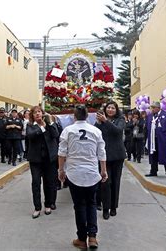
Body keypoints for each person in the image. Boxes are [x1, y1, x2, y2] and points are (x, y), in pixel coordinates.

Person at [58, 105, 107, 250]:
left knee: (79, 206)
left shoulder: (68, 130)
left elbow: (62, 153)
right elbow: (101, 153)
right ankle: (92, 237)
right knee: (91, 204)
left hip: (74, 174)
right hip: (92, 173)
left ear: (74, 116)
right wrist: (103, 171)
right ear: (86, 116)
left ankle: (81, 239)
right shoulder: (96, 130)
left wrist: (61, 170)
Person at [95, 101, 126, 220]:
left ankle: (113, 207)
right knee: (105, 183)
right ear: (105, 109)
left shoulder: (121, 119)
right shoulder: (101, 119)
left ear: (116, 109)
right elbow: (96, 133)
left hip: (117, 156)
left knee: (115, 182)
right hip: (104, 157)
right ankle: (106, 208)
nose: (111, 110)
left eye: (113, 108)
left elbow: (118, 131)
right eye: (109, 108)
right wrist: (99, 123)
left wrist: (106, 121)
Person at [26, 106, 59, 218]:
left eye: (39, 112)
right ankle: (37, 207)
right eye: (35, 113)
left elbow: (56, 135)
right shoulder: (30, 126)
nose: (37, 114)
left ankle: (48, 204)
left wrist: (48, 124)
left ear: (43, 113)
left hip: (49, 160)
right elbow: (31, 135)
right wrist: (41, 128)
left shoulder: (50, 124)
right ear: (32, 115)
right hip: (35, 160)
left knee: (49, 183)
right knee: (36, 182)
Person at [145, 101, 166, 179]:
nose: (152, 109)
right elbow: (147, 127)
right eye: (152, 108)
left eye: (154, 108)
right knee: (153, 155)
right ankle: (153, 171)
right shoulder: (150, 116)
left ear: (158, 108)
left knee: (165, 155)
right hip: (153, 139)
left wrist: (164, 134)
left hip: (162, 140)